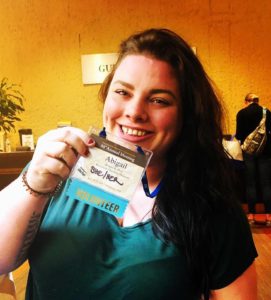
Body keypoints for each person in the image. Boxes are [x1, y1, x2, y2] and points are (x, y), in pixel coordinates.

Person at [0, 28, 257, 300]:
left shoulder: (211, 207)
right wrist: (35, 184)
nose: (134, 112)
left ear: (188, 114)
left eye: (159, 100)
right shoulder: (57, 169)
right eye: (122, 92)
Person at [236, 92, 271, 225]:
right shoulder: (267, 112)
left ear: (246, 101)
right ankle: (268, 216)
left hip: (249, 153)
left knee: (250, 183)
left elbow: (239, 135)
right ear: (257, 101)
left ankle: (251, 215)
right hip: (266, 152)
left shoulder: (242, 113)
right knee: (266, 184)